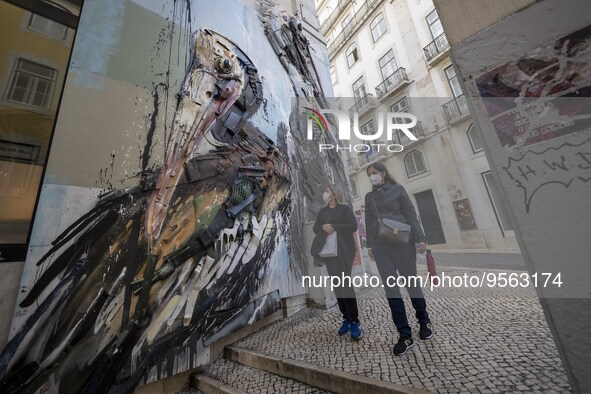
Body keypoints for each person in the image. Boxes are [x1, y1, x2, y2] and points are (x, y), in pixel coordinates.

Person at [364, 162, 433, 356]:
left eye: (375, 173)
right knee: (391, 289)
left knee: (411, 283)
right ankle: (404, 334)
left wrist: (420, 239)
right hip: (380, 246)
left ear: (383, 173)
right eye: (370, 175)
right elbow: (369, 223)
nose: (372, 177)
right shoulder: (370, 197)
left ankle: (424, 321)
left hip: (403, 243)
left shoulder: (398, 189)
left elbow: (411, 214)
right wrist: (370, 245)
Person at [312, 184, 362, 340]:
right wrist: (323, 227)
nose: (325, 194)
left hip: (344, 252)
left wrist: (334, 226)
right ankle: (346, 318)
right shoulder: (323, 211)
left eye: (327, 191)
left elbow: (353, 226)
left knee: (345, 285)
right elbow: (315, 228)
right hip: (329, 253)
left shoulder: (345, 209)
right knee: (337, 286)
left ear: (334, 194)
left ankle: (355, 321)